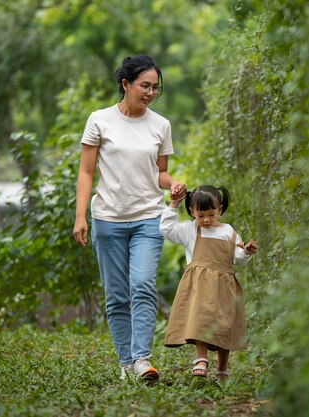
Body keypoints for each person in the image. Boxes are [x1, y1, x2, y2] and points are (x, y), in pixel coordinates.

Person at [73, 54, 187, 381]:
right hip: (107, 219)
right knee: (118, 294)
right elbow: (85, 171)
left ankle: (141, 359)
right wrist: (80, 217)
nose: (151, 93)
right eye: (145, 86)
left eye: (156, 88)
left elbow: (160, 173)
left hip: (148, 218)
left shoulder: (160, 125)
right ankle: (126, 363)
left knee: (142, 285)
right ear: (126, 84)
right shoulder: (100, 120)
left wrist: (174, 184)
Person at [159, 185, 257, 378]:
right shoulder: (190, 230)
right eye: (200, 215)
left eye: (211, 214)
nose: (206, 220)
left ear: (220, 209)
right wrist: (172, 205)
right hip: (199, 287)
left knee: (224, 325)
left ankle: (222, 367)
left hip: (225, 287)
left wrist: (246, 252)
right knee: (200, 321)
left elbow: (237, 258)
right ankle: (201, 359)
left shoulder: (229, 232)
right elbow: (167, 229)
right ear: (191, 212)